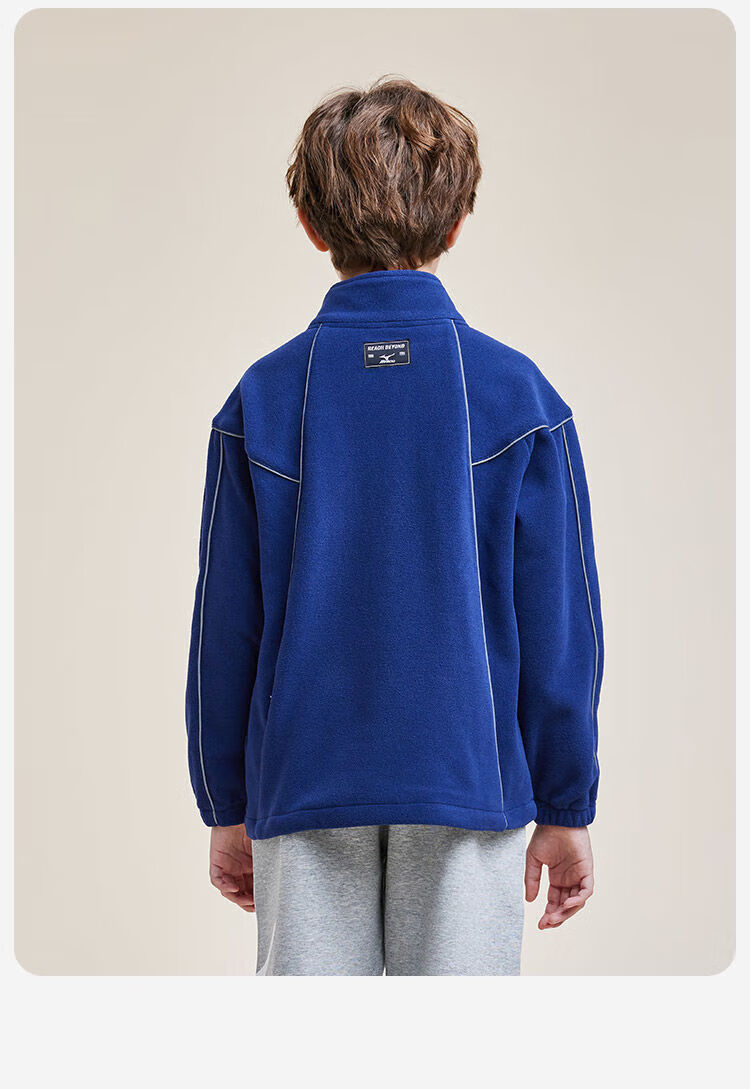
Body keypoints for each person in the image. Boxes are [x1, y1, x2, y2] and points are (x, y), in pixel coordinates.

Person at [186, 77, 603, 976]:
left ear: (311, 223)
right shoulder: (519, 397)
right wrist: (567, 803)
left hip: (304, 780)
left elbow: (225, 628)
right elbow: (561, 626)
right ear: (457, 222)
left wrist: (227, 801)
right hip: (471, 782)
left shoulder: (262, 398)